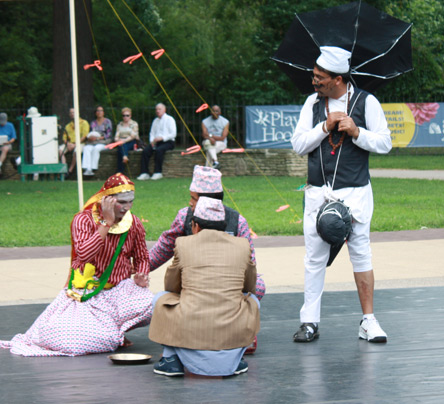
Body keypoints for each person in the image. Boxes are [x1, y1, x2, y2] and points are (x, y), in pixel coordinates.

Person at [290, 46, 392, 343]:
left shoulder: (366, 102)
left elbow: (385, 143)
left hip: (355, 193)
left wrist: (357, 132)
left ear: (337, 79)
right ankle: (309, 321)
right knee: (314, 259)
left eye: (319, 77)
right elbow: (298, 145)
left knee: (361, 255)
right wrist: (325, 126)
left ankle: (369, 322)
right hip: (317, 194)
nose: (314, 80)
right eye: (314, 75)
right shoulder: (312, 104)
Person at [0, 173, 154, 356]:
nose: (127, 208)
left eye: (131, 202)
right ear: (107, 200)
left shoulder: (134, 223)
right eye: (122, 202)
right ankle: (109, 335)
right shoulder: (83, 220)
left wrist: (142, 275)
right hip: (87, 293)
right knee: (74, 343)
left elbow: (142, 257)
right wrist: (106, 223)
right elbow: (84, 255)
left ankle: (116, 333)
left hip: (118, 291)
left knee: (150, 304)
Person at [149, 196, 260, 377]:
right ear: (224, 225)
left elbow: (171, 286)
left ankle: (171, 360)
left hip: (189, 328)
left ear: (195, 226)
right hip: (232, 326)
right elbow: (250, 286)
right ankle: (236, 357)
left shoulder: (183, 243)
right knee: (253, 300)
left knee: (160, 298)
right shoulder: (243, 245)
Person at [149, 165, 266, 301]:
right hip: (194, 281)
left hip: (229, 283)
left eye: (194, 198)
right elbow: (164, 247)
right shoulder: (184, 216)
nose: (190, 202)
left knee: (258, 286)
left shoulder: (237, 222)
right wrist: (140, 266)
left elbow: (250, 265)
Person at [136, 103, 176, 181]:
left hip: (168, 142)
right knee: (145, 151)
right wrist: (152, 141)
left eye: (159, 109)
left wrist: (162, 138)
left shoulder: (170, 119)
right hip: (156, 142)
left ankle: (158, 172)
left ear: (164, 110)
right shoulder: (155, 121)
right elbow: (152, 133)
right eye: (156, 109)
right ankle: (144, 173)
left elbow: (173, 134)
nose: (157, 111)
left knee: (159, 150)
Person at [82, 105, 113, 176]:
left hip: (103, 142)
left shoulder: (107, 122)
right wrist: (89, 137)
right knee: (86, 148)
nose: (99, 112)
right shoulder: (93, 123)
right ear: (95, 113)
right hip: (93, 142)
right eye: (97, 111)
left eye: (101, 110)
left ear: (103, 112)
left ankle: (93, 168)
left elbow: (108, 134)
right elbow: (90, 132)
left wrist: (98, 138)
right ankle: (87, 168)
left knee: (96, 149)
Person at [59, 108, 89, 178]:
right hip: (69, 144)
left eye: (74, 112)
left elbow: (84, 136)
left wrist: (75, 144)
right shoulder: (68, 125)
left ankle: (70, 170)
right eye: (71, 113)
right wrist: (67, 144)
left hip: (80, 143)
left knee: (76, 151)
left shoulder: (84, 123)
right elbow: (64, 137)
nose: (72, 114)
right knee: (60, 150)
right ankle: (64, 170)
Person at [201, 105, 229, 169]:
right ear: (211, 112)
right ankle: (215, 162)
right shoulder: (204, 121)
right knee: (208, 143)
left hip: (221, 143)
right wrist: (210, 138)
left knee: (209, 152)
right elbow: (204, 135)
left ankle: (208, 170)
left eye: (217, 111)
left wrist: (210, 136)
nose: (215, 113)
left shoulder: (225, 122)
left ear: (220, 112)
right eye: (213, 111)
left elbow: (222, 138)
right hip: (208, 142)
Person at [115, 107, 139, 174]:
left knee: (122, 146)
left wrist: (123, 141)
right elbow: (116, 136)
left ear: (130, 116)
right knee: (121, 146)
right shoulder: (120, 124)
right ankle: (125, 157)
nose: (125, 117)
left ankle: (119, 171)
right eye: (124, 115)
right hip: (121, 142)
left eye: (127, 115)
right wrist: (118, 140)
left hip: (131, 141)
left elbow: (133, 136)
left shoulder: (134, 124)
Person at [0, 112, 17, 176]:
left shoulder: (10, 125)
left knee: (5, 149)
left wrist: (8, 142)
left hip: (7, 144)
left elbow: (13, 138)